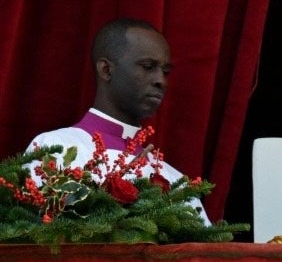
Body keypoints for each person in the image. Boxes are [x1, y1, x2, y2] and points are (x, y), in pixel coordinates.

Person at [26, 18, 210, 224]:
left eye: (165, 71)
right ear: (106, 70)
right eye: (148, 66)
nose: (161, 80)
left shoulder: (175, 181)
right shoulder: (54, 148)